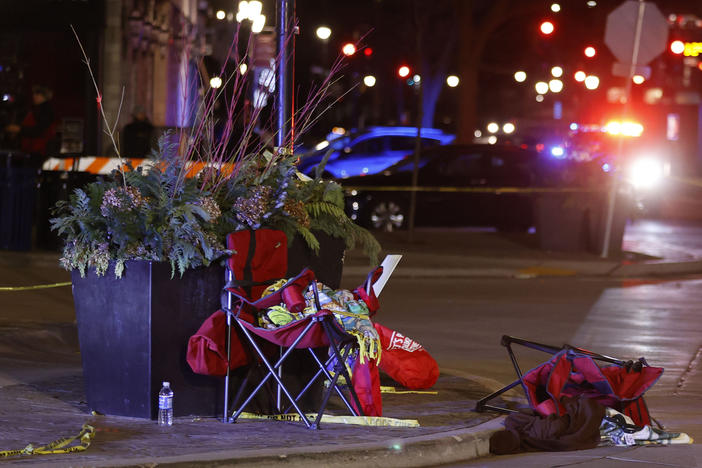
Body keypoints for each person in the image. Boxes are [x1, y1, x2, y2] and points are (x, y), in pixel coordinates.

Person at [5, 85, 57, 160]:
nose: (34, 96)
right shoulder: (37, 109)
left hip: (38, 150)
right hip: (33, 148)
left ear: (44, 96)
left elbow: (39, 130)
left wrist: (19, 129)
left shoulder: (45, 111)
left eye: (37, 94)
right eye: (34, 94)